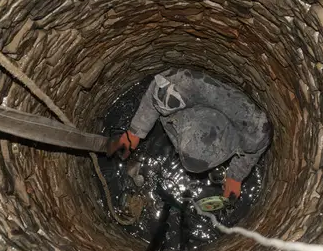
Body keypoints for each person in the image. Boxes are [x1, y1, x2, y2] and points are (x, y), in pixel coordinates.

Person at [106, 68, 272, 200]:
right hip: (192, 104)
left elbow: (254, 151)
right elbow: (156, 91)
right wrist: (134, 132)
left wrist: (236, 176)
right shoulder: (179, 91)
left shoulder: (255, 132)